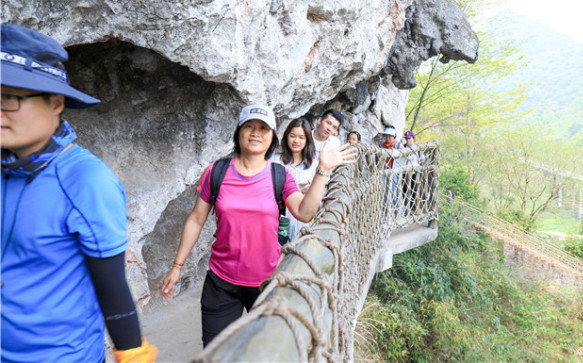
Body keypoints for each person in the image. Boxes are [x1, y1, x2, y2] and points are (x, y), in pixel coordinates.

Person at [0, 25, 156, 362]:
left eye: (8, 98)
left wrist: (132, 354)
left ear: (56, 102)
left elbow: (112, 288)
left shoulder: (85, 181)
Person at [161, 104, 356, 347]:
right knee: (215, 351)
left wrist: (323, 169)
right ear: (239, 132)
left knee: (264, 352)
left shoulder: (280, 175)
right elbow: (196, 219)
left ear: (273, 137)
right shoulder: (217, 172)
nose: (255, 133)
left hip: (267, 283)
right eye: (249, 126)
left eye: (263, 128)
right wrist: (177, 266)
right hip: (221, 283)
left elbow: (305, 213)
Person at [272, 117, 318, 239]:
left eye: (301, 137)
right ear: (286, 137)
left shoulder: (315, 167)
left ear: (307, 140)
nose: (296, 141)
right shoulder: (274, 162)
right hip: (278, 227)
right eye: (292, 136)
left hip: (306, 229)